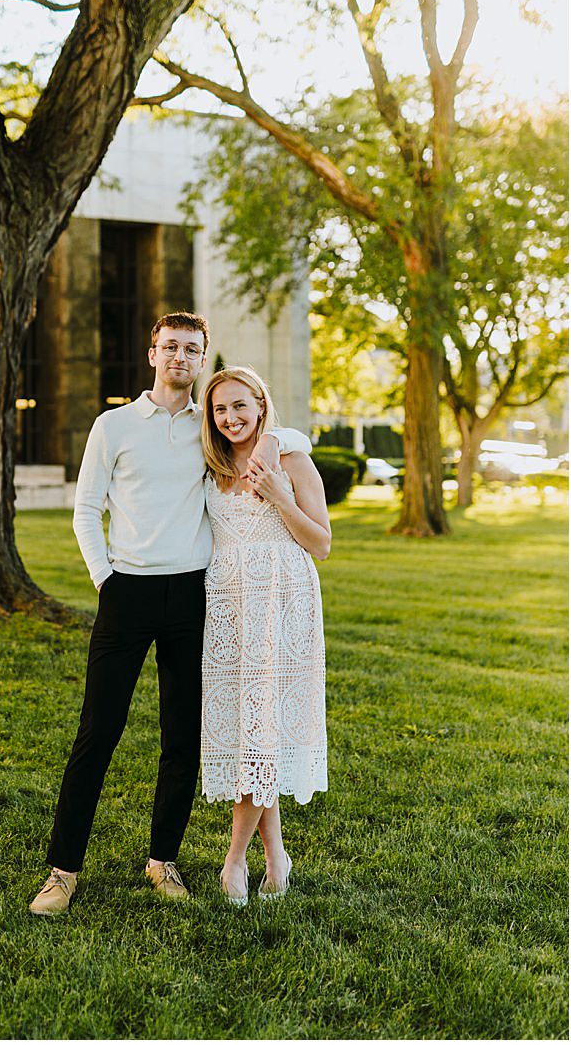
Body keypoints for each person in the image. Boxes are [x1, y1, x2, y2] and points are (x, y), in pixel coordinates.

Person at [30, 313, 311, 915]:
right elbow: (85, 511)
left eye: (192, 348)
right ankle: (62, 872)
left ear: (203, 357)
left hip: (194, 598)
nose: (180, 356)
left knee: (181, 739)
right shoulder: (114, 426)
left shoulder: (210, 431)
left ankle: (164, 862)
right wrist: (106, 580)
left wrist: (275, 441)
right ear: (152, 351)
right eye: (171, 346)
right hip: (125, 592)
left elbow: (279, 436)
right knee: (97, 734)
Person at [200, 365, 330, 906]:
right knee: (251, 732)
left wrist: (279, 493)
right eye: (220, 409)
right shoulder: (207, 463)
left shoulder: (291, 459)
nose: (230, 418)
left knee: (263, 728)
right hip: (229, 608)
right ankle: (277, 855)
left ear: (260, 403)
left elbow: (320, 543)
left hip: (282, 604)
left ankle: (235, 860)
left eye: (240, 406)